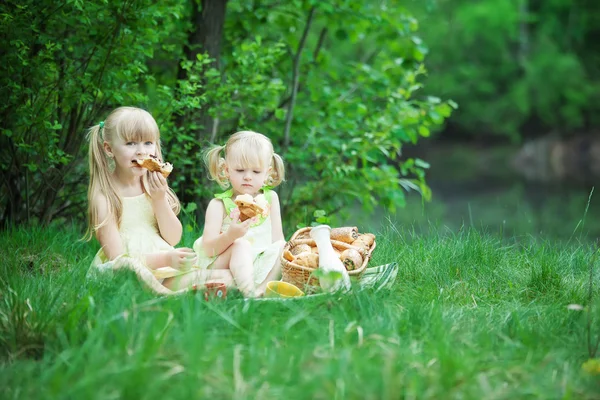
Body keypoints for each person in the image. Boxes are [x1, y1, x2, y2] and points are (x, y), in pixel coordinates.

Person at [85, 106, 233, 293]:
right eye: (130, 143)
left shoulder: (153, 186)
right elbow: (117, 258)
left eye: (148, 143)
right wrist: (165, 259)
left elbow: (173, 237)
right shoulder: (105, 195)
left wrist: (159, 199)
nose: (141, 151)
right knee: (130, 267)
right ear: (109, 149)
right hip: (131, 276)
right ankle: (167, 296)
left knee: (227, 276)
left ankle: (174, 293)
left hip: (165, 273)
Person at [187, 130, 286, 297]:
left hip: (259, 263)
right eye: (240, 170)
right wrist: (230, 236)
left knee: (284, 247)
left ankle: (263, 288)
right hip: (224, 262)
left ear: (267, 173)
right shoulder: (218, 205)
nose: (248, 177)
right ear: (226, 170)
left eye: (256, 172)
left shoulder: (271, 198)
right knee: (241, 245)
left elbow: (277, 240)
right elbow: (209, 248)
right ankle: (249, 294)